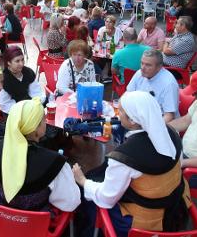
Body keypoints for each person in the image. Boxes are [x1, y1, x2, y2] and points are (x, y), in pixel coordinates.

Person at [73, 91, 190, 236]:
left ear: (133, 120)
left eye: (121, 110)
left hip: (144, 220)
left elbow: (106, 198)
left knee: (90, 198)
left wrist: (83, 181)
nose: (118, 114)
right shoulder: (171, 133)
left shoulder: (125, 157)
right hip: (175, 206)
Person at [0, 98, 80, 211]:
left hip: (3, 214)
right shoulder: (54, 162)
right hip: (36, 221)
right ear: (34, 129)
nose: (46, 120)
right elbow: (70, 203)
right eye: (43, 119)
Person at [126, 49, 179, 122]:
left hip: (160, 122)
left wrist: (150, 129)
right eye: (142, 63)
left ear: (159, 67)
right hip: (140, 118)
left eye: (148, 65)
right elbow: (127, 95)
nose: (143, 68)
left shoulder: (169, 83)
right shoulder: (139, 73)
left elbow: (169, 116)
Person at [0, 47, 46, 116]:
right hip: (15, 113)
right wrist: (22, 110)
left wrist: (35, 103)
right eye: (17, 61)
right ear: (8, 63)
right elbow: (5, 104)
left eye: (22, 60)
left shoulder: (28, 72)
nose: (22, 64)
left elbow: (37, 92)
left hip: (32, 107)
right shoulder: (4, 80)